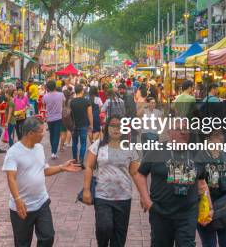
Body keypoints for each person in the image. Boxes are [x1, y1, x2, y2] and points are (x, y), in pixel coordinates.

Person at [2, 117, 81, 247]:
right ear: (30, 133)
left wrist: (62, 168)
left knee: (48, 237)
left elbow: (44, 170)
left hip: (41, 202)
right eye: (41, 131)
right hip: (22, 207)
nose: (44, 133)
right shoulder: (13, 152)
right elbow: (11, 177)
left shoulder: (39, 148)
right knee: (22, 243)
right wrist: (17, 199)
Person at [135, 121, 211, 247]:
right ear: (169, 133)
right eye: (178, 129)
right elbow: (140, 174)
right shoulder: (156, 150)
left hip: (187, 214)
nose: (182, 132)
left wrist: (209, 207)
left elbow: (202, 182)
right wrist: (146, 200)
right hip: (160, 213)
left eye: (185, 129)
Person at [82, 115, 141, 247]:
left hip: (124, 197)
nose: (116, 128)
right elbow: (89, 167)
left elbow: (135, 173)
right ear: (107, 127)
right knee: (104, 228)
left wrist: (143, 195)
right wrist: (86, 190)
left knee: (119, 237)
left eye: (120, 126)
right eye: (113, 125)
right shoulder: (98, 145)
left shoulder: (129, 147)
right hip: (102, 196)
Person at [196, 130, 226, 247]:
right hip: (206, 209)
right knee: (209, 243)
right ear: (207, 142)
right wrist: (210, 209)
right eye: (213, 143)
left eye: (219, 143)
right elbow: (200, 185)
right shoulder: (199, 158)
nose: (216, 147)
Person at [70, 84, 93, 165]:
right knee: (83, 143)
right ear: (82, 91)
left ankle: (74, 160)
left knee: (74, 143)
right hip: (83, 125)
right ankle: (81, 160)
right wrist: (91, 125)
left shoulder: (72, 101)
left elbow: (70, 113)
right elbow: (90, 115)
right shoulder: (86, 101)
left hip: (74, 125)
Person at [42, 80, 65, 159]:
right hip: (58, 117)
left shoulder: (45, 96)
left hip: (49, 118)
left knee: (52, 135)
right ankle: (54, 152)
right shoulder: (61, 94)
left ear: (48, 87)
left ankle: (53, 150)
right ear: (55, 86)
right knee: (56, 135)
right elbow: (64, 103)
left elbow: (44, 105)